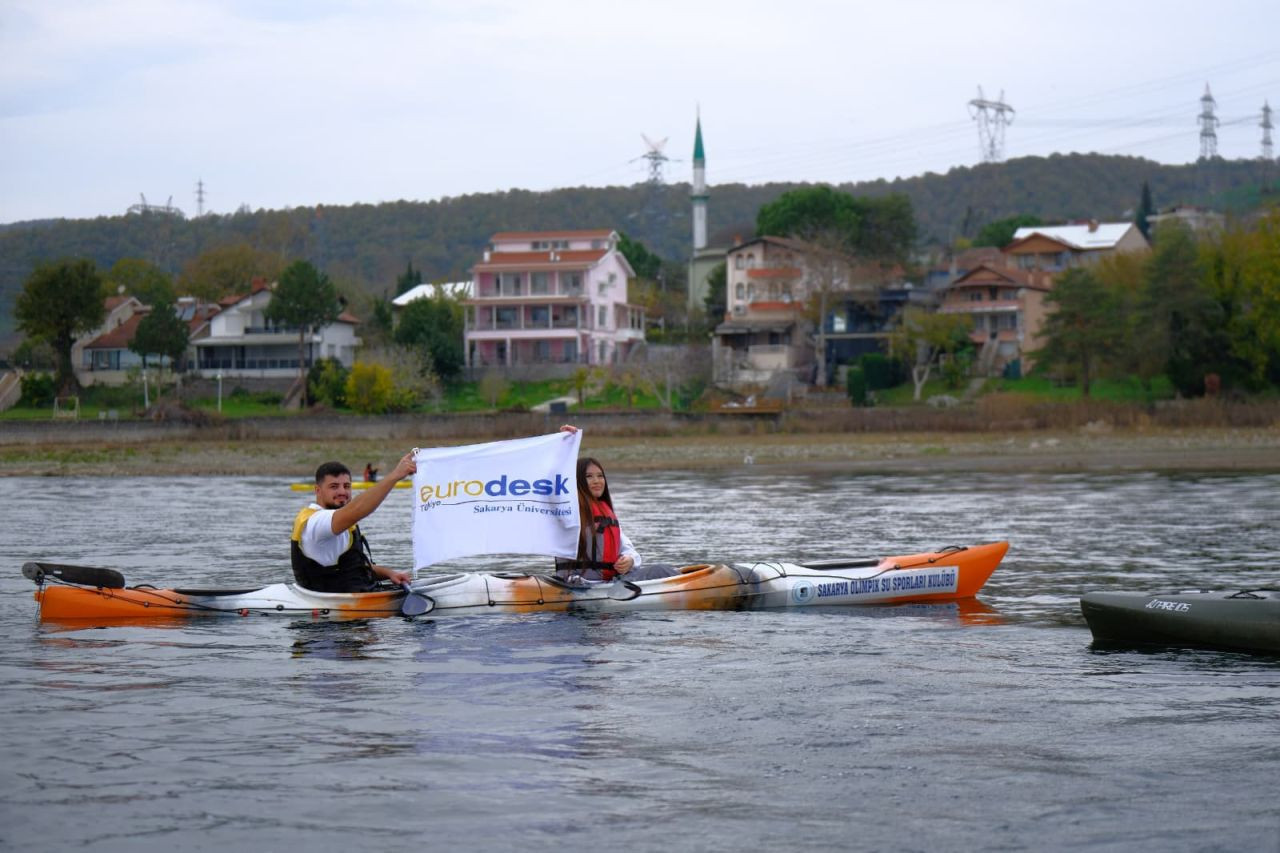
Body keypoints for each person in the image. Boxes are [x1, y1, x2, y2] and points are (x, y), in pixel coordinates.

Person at [291, 452, 415, 592]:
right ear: (318, 491)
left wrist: (390, 574)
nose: (342, 491)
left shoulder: (340, 521)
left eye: (346, 486)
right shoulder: (317, 522)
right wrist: (395, 475)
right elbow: (358, 509)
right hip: (332, 605)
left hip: (356, 595)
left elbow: (354, 568)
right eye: (334, 486)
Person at [557, 456, 675, 583]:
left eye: (600, 476)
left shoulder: (605, 514)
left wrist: (630, 560)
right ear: (577, 480)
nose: (596, 481)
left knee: (661, 570)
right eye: (589, 476)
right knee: (661, 571)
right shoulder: (567, 511)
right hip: (578, 584)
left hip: (609, 583)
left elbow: (627, 549)